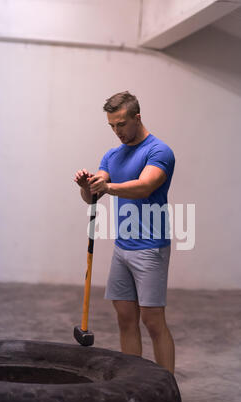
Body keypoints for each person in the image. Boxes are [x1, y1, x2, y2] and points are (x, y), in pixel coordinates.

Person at [74, 91, 175, 374]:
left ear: (137, 117)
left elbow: (145, 186)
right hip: (122, 248)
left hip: (150, 247)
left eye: (121, 124)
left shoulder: (158, 151)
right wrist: (87, 185)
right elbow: (92, 195)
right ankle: (135, 384)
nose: (117, 131)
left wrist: (107, 187)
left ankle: (168, 389)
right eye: (112, 126)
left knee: (153, 321)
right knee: (125, 318)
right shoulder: (113, 155)